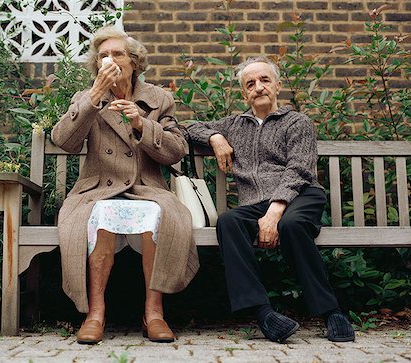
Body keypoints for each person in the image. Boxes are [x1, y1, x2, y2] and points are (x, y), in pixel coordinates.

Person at [188, 56, 355, 343]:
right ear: (244, 94)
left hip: (301, 195)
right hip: (256, 203)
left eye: (265, 80)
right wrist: (216, 136)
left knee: (291, 225)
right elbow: (187, 127)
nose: (258, 87)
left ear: (277, 86)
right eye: (250, 83)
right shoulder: (235, 125)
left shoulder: (297, 122)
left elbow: (300, 169)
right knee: (228, 222)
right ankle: (263, 313)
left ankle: (331, 312)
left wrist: (275, 211)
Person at [51, 25, 199, 345]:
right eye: (103, 55)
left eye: (117, 53)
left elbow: (176, 150)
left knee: (157, 213)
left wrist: (140, 123)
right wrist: (92, 99)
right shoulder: (87, 98)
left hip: (147, 187)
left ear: (134, 62)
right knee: (101, 213)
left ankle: (154, 313)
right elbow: (63, 140)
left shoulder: (158, 99)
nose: (110, 60)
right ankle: (95, 314)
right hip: (98, 188)